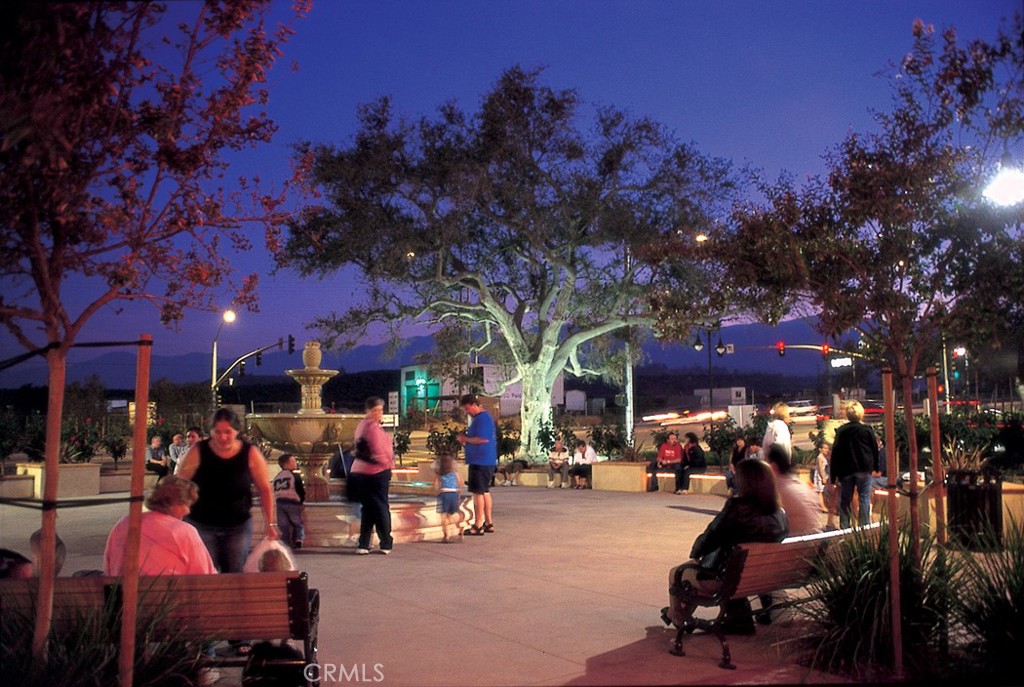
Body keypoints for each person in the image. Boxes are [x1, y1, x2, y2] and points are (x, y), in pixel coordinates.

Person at [662, 459, 788, 633]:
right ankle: (732, 618)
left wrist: (696, 552)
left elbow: (708, 539)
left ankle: (677, 617)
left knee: (677, 573)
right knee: (720, 568)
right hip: (762, 576)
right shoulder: (779, 513)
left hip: (728, 579)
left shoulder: (737, 508)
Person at [177, 407, 278, 574]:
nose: (223, 437)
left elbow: (265, 489)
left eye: (228, 432)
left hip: (237, 526)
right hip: (201, 524)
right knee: (203, 573)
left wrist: (270, 524)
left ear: (237, 431)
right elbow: (179, 484)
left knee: (234, 573)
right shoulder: (198, 451)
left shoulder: (250, 453)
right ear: (210, 432)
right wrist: (175, 518)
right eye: (217, 432)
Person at [103, 475, 217, 576]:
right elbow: (204, 574)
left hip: (122, 596)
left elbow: (108, 567)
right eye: (186, 504)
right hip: (169, 597)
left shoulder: (124, 524)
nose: (187, 511)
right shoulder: (182, 531)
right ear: (174, 503)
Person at [349, 396, 395, 554]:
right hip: (376, 472)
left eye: (380, 410)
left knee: (368, 508)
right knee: (381, 507)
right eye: (374, 410)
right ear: (367, 411)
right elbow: (379, 451)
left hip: (359, 472)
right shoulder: (373, 428)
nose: (378, 413)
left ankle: (363, 543)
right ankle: (386, 542)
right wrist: (388, 464)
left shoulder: (362, 425)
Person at [830, 400, 880, 529]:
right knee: (864, 498)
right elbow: (874, 449)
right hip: (864, 469)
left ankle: (845, 528)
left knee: (845, 500)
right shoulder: (867, 430)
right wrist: (876, 466)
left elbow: (835, 453)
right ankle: (864, 527)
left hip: (846, 470)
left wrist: (833, 475)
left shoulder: (841, 431)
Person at [458, 394, 497, 535]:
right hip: (486, 460)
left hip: (480, 460)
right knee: (485, 491)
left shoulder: (482, 419)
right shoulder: (483, 418)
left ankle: (478, 524)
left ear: (474, 405)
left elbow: (482, 439)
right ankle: (488, 522)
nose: (467, 412)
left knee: (478, 493)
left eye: (468, 408)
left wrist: (465, 439)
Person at [272, 454, 306, 550]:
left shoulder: (277, 476)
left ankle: (285, 542)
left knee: (283, 524)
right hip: (293, 502)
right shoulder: (294, 475)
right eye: (293, 461)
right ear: (286, 464)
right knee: (297, 522)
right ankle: (298, 539)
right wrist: (301, 501)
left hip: (279, 502)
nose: (295, 463)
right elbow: (300, 489)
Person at [434, 454, 462, 542]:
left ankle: (446, 536)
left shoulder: (439, 474)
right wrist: (458, 492)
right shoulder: (454, 473)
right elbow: (460, 483)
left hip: (444, 494)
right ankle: (460, 527)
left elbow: (435, 485)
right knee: (453, 513)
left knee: (443, 516)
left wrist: (437, 490)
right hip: (453, 493)